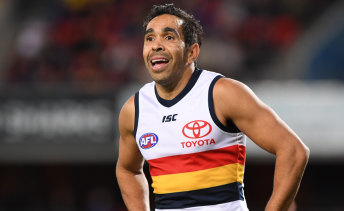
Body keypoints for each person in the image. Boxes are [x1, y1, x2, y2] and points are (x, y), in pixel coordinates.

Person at [116, 3, 309, 211]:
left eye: (169, 37)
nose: (156, 45)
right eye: (150, 38)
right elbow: (128, 169)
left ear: (192, 52)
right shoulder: (134, 109)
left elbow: (294, 151)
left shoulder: (222, 94)